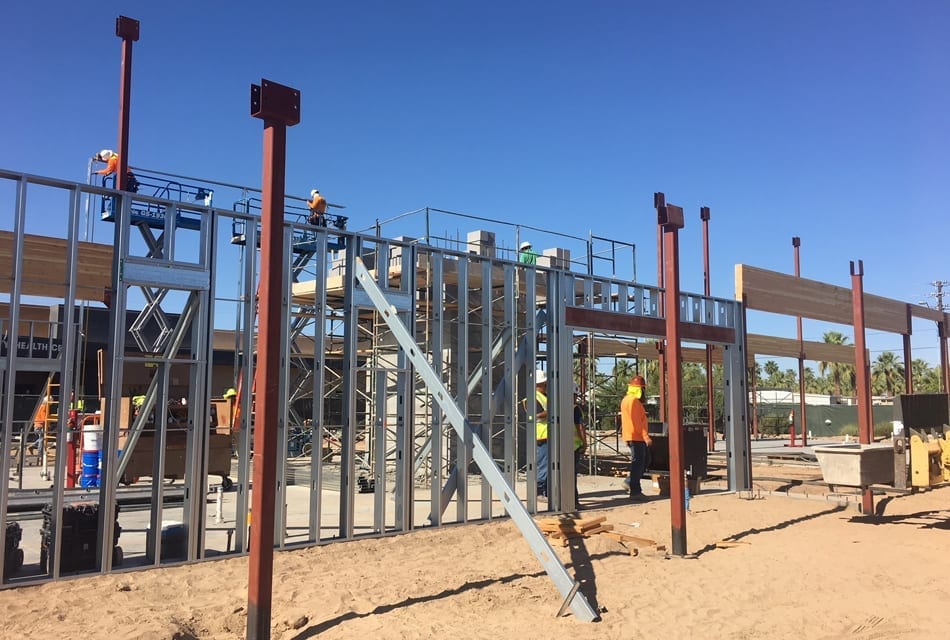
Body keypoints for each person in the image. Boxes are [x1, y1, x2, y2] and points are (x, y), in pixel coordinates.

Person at [620, 375, 652, 501]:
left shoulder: (626, 400)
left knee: (643, 461)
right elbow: (637, 422)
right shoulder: (633, 402)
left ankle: (630, 481)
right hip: (636, 436)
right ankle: (635, 490)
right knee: (639, 463)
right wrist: (645, 436)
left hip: (632, 435)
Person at [524, 369, 549, 499]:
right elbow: (535, 416)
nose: (546, 385)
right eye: (544, 384)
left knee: (549, 465)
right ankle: (539, 491)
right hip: (541, 436)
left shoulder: (545, 397)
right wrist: (553, 410)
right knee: (543, 465)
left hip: (549, 435)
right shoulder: (532, 398)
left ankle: (547, 491)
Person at [572, 384, 588, 504]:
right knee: (572, 475)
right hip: (574, 446)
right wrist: (584, 443)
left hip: (559, 446)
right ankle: (574, 501)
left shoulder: (557, 407)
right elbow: (580, 427)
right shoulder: (575, 409)